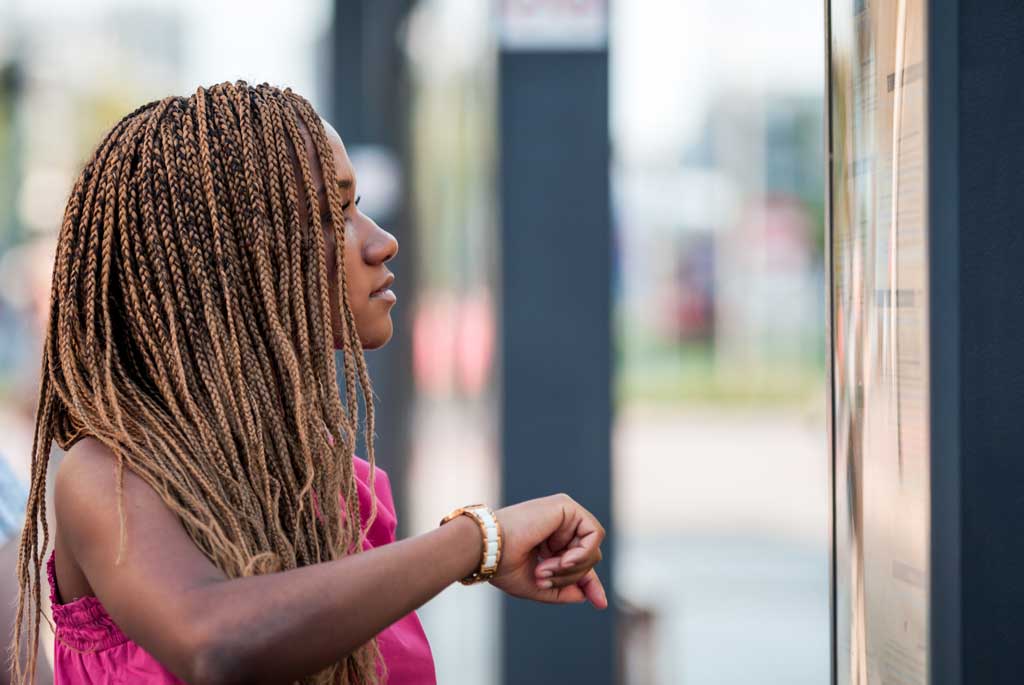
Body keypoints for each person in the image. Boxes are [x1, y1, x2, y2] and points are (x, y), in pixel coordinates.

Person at [9, 81, 608, 685]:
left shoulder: (339, 488)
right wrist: (475, 542)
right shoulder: (111, 476)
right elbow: (214, 644)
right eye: (334, 214)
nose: (381, 241)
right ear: (232, 260)